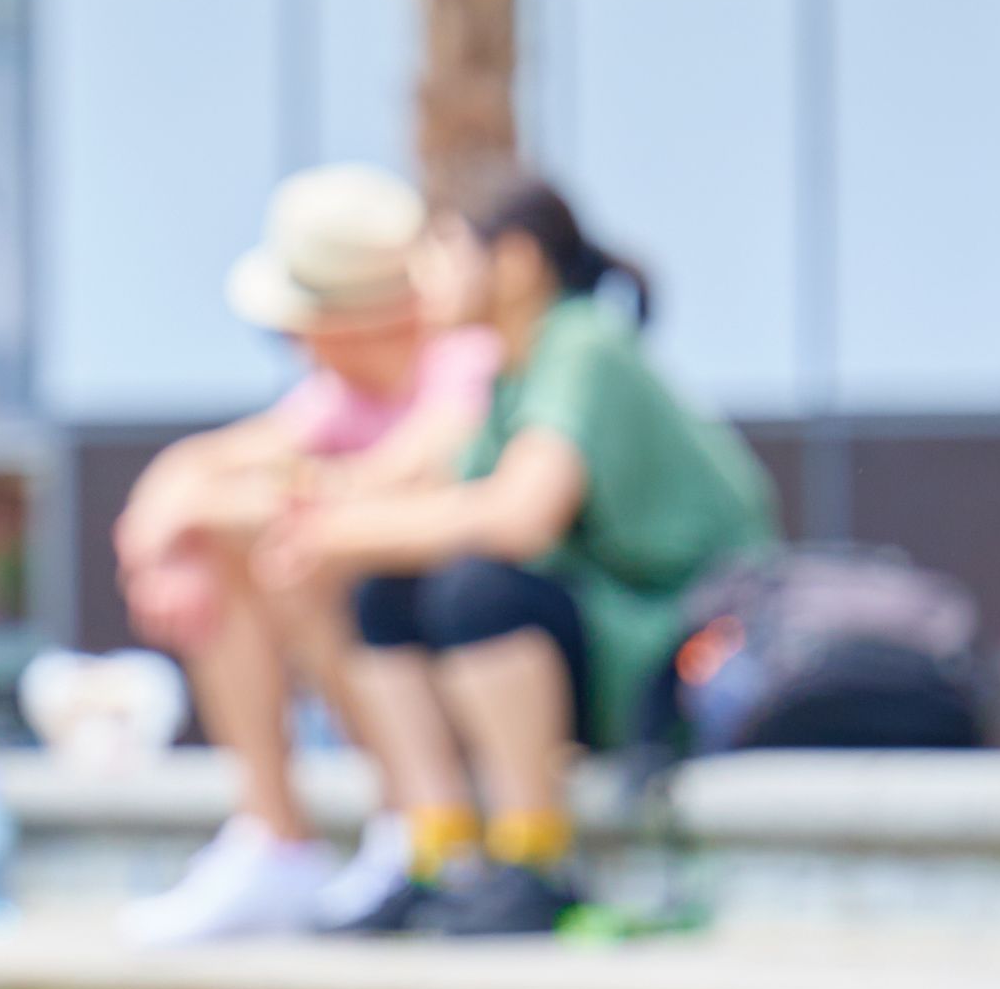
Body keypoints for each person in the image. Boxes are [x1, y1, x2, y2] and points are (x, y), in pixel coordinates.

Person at [260, 172, 776, 936]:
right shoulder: (512, 368)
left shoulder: (582, 344)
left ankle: (534, 858)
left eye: (443, 249)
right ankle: (435, 856)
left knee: (479, 590)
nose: (420, 276)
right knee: (388, 596)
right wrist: (341, 529)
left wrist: (341, 531)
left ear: (517, 262)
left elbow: (520, 517)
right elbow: (450, 504)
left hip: (683, 638)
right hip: (609, 625)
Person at [116, 166, 502, 945]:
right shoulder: (341, 398)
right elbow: (196, 469)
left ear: (333, 324)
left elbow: (384, 485)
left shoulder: (467, 368)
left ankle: (395, 818)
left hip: (476, 658)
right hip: (404, 659)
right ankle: (274, 832)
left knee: (277, 543)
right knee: (229, 537)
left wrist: (222, 511)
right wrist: (169, 540)